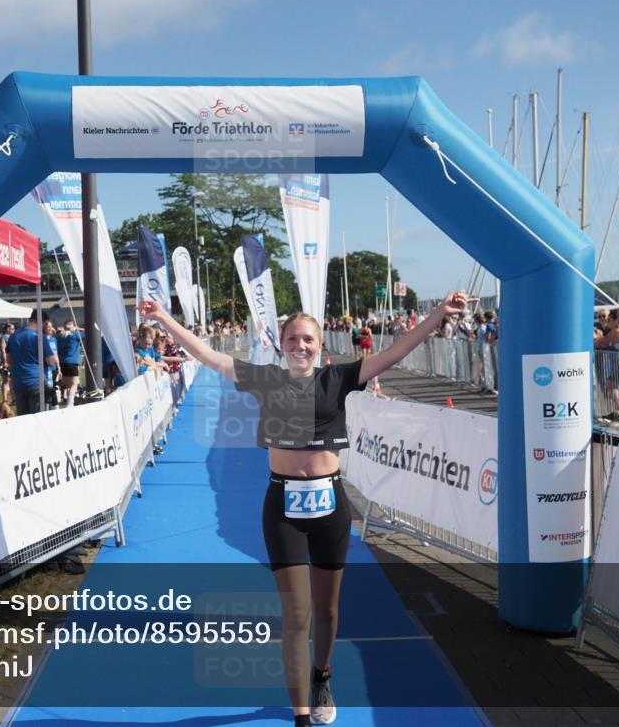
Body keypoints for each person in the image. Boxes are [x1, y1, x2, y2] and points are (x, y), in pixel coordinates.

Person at [138, 291, 473, 727]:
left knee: (327, 610)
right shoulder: (265, 380)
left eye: (308, 340)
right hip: (283, 508)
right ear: (281, 343)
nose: (300, 346)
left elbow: (396, 351)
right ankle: (300, 716)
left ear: (319, 346)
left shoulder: (338, 379)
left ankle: (322, 675)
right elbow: (208, 355)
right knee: (296, 614)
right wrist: (163, 317)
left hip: (330, 506)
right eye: (293, 339)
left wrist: (437, 315)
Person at [6, 310, 57, 415]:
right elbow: (51, 361)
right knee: (38, 419)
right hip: (35, 382)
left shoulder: (14, 335)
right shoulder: (39, 336)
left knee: (24, 420)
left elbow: (8, 359)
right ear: (40, 321)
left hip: (18, 382)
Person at [57, 319, 84, 407]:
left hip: (62, 362)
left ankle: (67, 400)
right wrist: (79, 329)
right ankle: (69, 404)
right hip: (72, 363)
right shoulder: (75, 335)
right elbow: (90, 332)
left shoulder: (60, 336)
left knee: (68, 385)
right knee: (74, 385)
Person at [0, 323, 15, 403]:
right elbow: (3, 350)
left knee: (12, 380)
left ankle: (14, 398)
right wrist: (5, 362)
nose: (14, 330)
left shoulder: (12, 337)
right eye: (12, 329)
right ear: (8, 329)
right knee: (6, 380)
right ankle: (5, 400)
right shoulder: (3, 338)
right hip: (5, 362)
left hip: (11, 362)